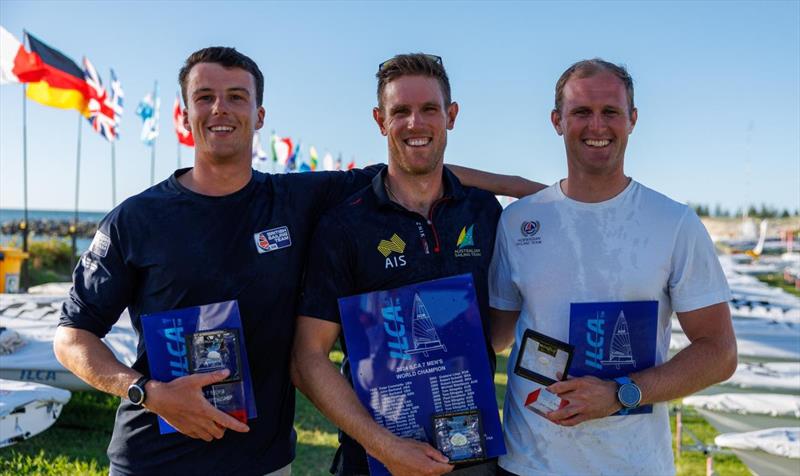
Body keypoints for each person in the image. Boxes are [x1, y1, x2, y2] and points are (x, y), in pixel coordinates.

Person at [54, 47, 538, 476]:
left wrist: (553, 199)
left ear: (260, 115)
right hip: (153, 460)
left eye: (236, 97)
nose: (220, 109)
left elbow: (419, 164)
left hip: (265, 461)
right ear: (185, 114)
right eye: (205, 97)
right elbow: (72, 337)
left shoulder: (297, 198)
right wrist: (146, 392)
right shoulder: (134, 220)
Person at [291, 54, 540, 476]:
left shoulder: (483, 212)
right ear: (379, 120)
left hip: (473, 454)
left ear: (452, 115)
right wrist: (386, 447)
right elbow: (307, 357)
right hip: (373, 460)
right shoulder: (345, 224)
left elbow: (496, 333)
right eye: (400, 111)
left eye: (429, 109)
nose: (415, 123)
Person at [488, 59, 737, 475]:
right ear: (557, 121)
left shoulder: (673, 222)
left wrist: (623, 393)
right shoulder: (519, 222)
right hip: (528, 464)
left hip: (633, 465)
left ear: (633, 119)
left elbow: (720, 352)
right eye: (581, 112)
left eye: (611, 112)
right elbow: (494, 336)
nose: (597, 126)